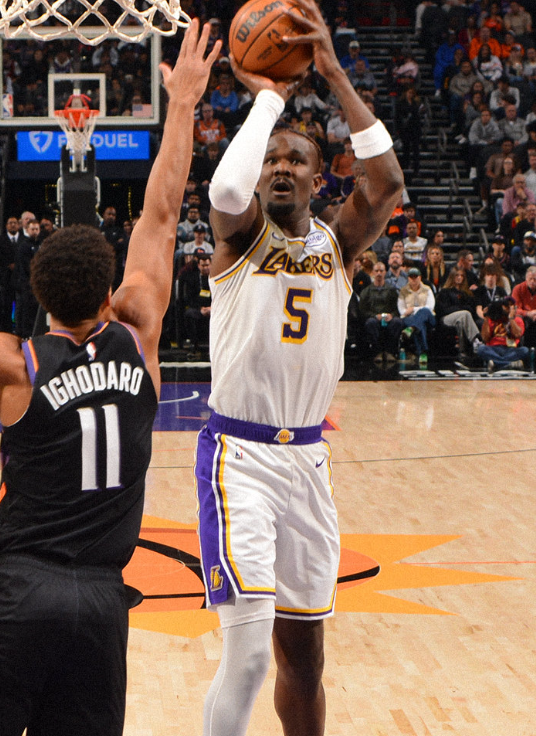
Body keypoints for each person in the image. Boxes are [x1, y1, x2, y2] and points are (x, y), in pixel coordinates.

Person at [0, 21, 219, 736]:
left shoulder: (15, 364)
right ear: (109, 293)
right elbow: (161, 212)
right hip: (102, 607)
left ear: (38, 296)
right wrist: (182, 102)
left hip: (18, 594)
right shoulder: (141, 332)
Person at [193, 2, 403, 735]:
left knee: (305, 660)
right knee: (250, 656)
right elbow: (225, 193)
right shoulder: (239, 238)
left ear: (320, 178)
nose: (281, 167)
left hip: (307, 462)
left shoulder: (337, 244)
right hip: (239, 458)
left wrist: (336, 75)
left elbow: (387, 184)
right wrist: (269, 101)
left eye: (296, 161)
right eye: (272, 161)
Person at [475, 295, 530, 371]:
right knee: (481, 349)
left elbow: (517, 334)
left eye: (510, 306)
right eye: (506, 306)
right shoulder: (492, 319)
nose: (507, 308)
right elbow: (485, 338)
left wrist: (511, 318)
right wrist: (486, 318)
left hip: (510, 349)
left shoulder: (517, 320)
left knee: (525, 350)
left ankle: (496, 363)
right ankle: (507, 364)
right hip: (493, 348)